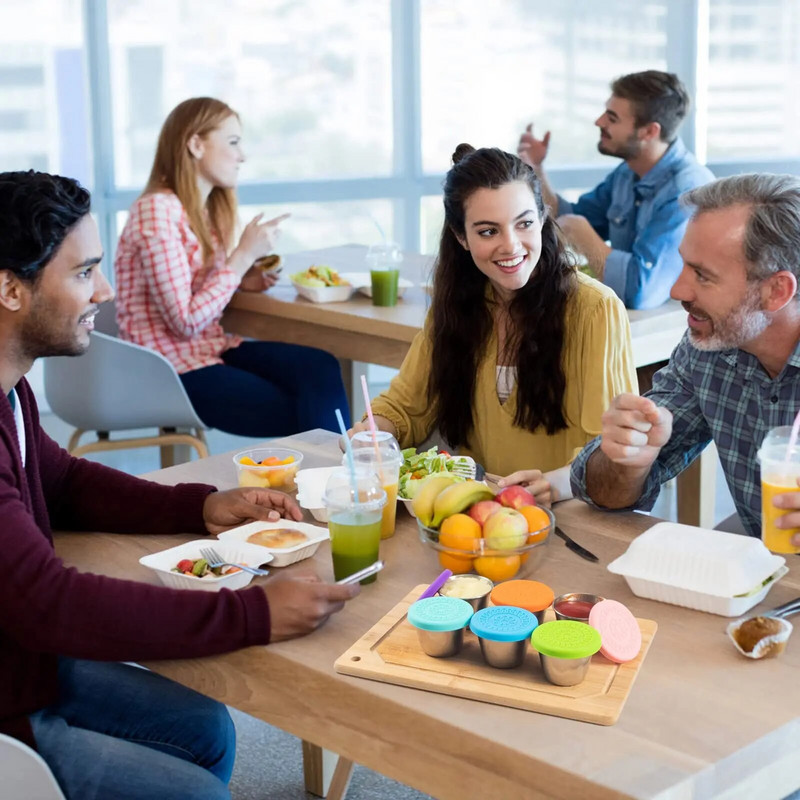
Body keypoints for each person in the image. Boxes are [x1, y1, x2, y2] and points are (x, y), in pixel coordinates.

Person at [0, 170, 359, 799]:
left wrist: (203, 507)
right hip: (7, 705)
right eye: (84, 272)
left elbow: (62, 481)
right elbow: (49, 603)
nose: (104, 292)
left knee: (207, 730)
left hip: (21, 661)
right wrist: (252, 612)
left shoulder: (13, 389)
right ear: (10, 289)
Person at [350, 145, 637, 505]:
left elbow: (610, 452)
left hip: (571, 520)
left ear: (543, 218)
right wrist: (375, 432)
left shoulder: (597, 310)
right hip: (478, 516)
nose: (511, 245)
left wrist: (556, 483)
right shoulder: (455, 306)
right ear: (461, 237)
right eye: (488, 232)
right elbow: (407, 406)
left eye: (524, 223)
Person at [570, 173, 800, 547]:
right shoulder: (709, 348)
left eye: (703, 276)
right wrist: (629, 458)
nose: (677, 290)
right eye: (684, 265)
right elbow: (602, 493)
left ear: (776, 291)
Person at [115, 97, 350, 436]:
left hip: (211, 350)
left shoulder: (202, 210)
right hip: (170, 370)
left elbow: (190, 288)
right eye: (233, 142)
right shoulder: (157, 210)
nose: (243, 156)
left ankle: (333, 478)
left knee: (321, 367)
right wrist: (240, 258)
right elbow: (184, 322)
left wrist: (242, 280)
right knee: (303, 409)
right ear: (195, 144)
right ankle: (334, 481)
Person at [517, 70, 714, 310]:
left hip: (667, 331)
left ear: (649, 131)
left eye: (612, 118)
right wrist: (536, 167)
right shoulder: (627, 173)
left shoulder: (686, 191)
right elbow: (561, 216)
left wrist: (583, 234)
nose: (599, 122)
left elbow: (639, 291)